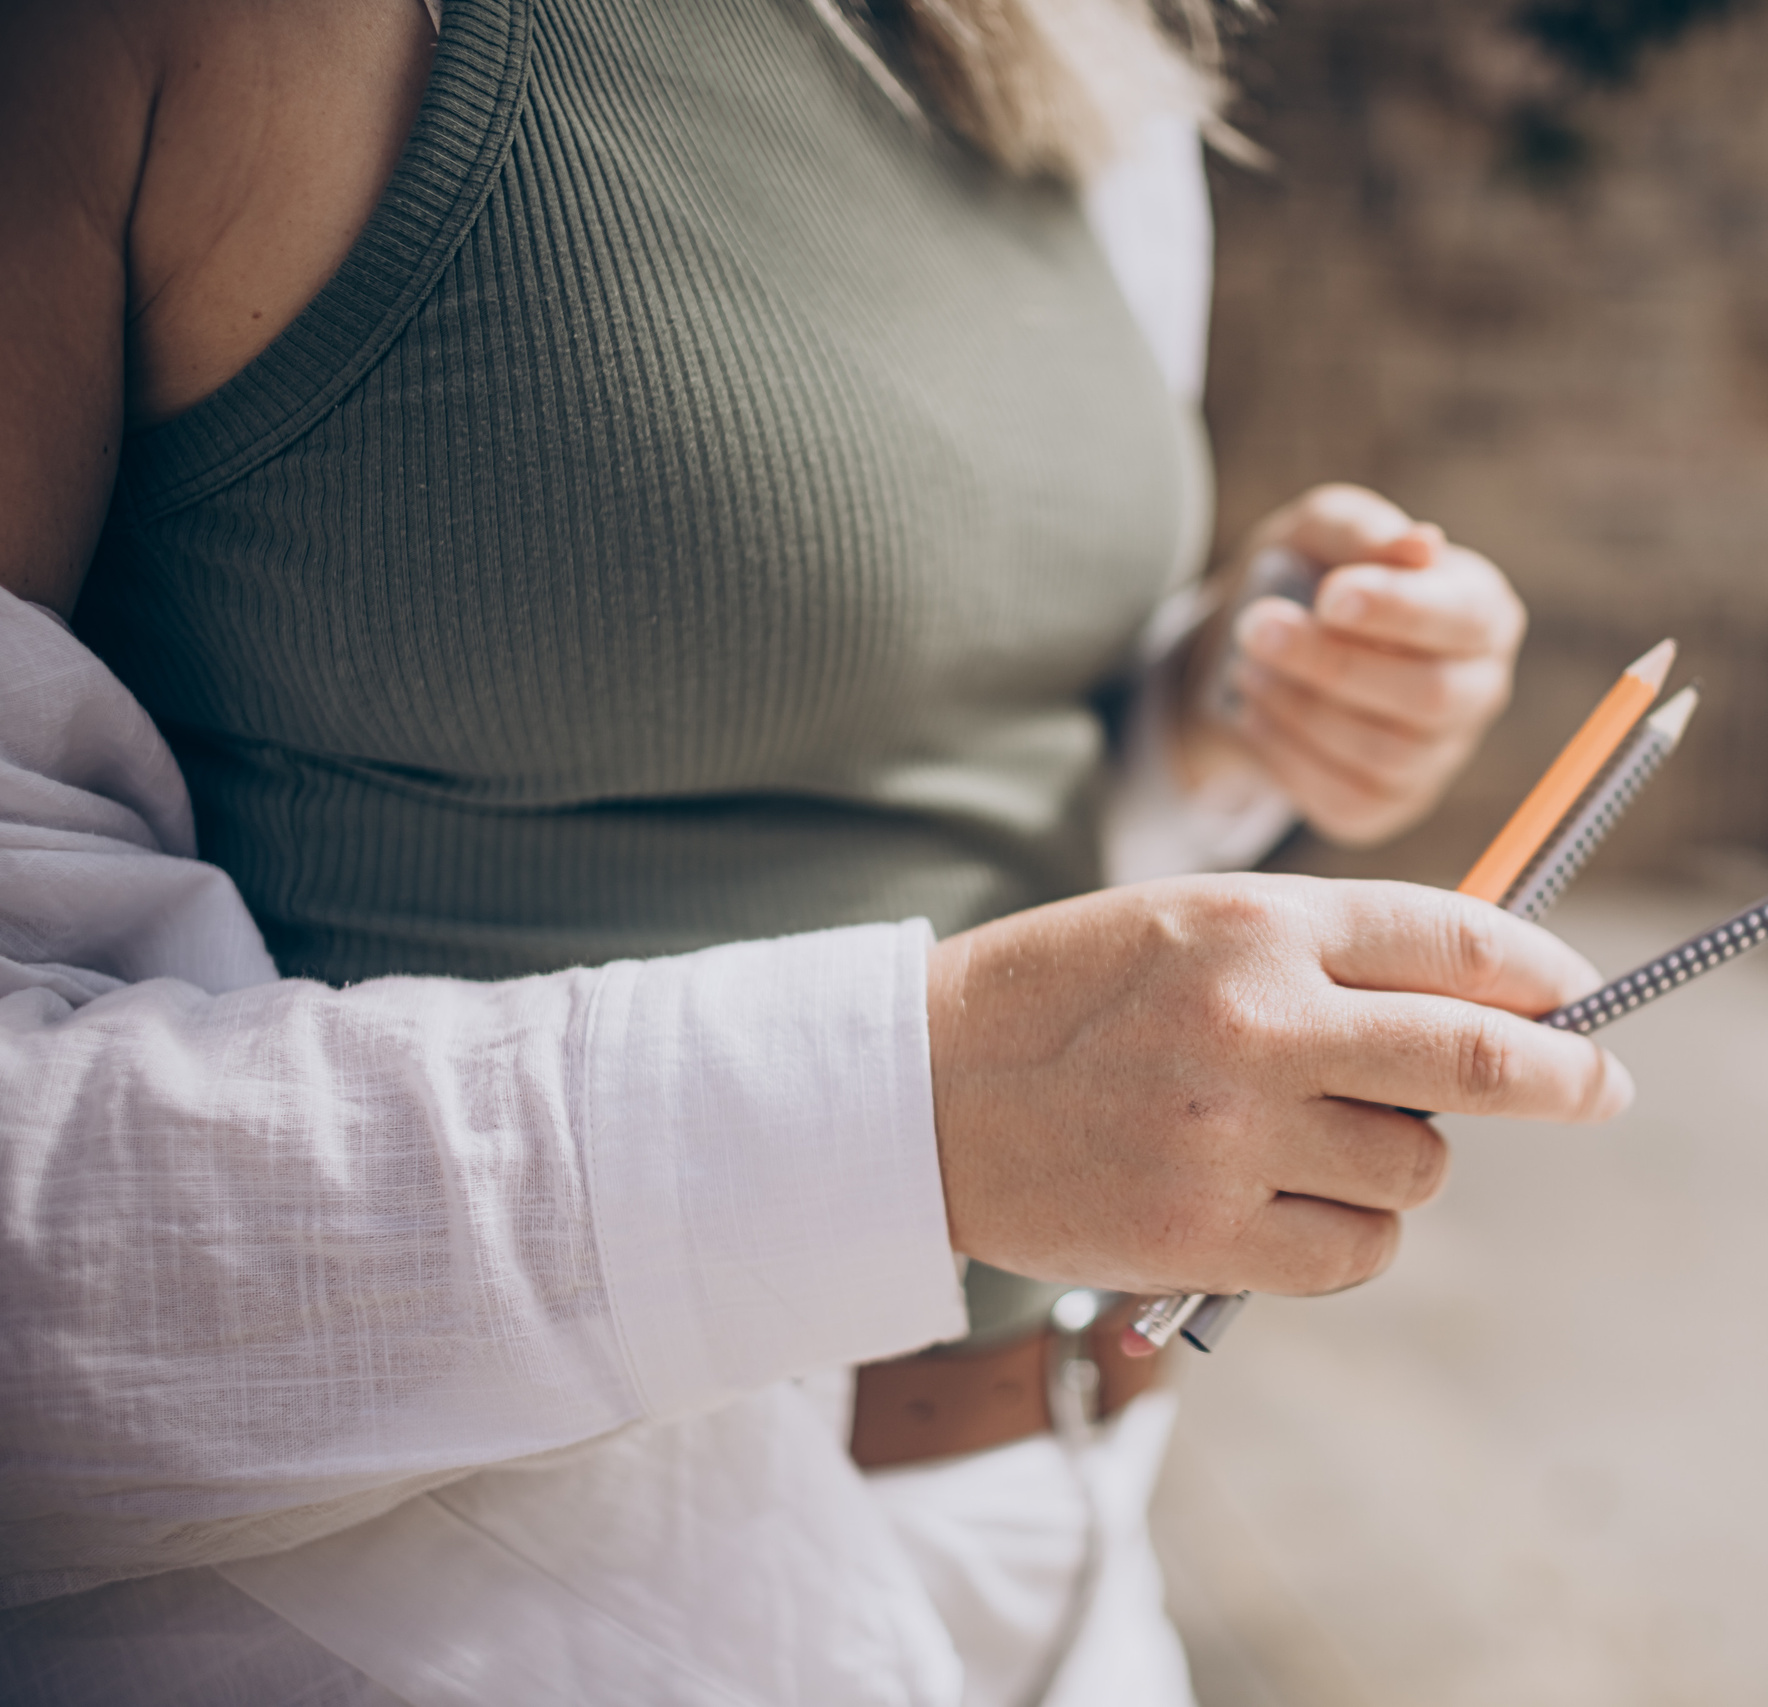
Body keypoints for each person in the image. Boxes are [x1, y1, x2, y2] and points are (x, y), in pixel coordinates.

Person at [0, 1, 1635, 1701]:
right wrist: (913, 1109)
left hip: (1064, 1525)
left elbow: (935, 729)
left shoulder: (1081, 52)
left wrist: (1226, 705)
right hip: (460, 1618)